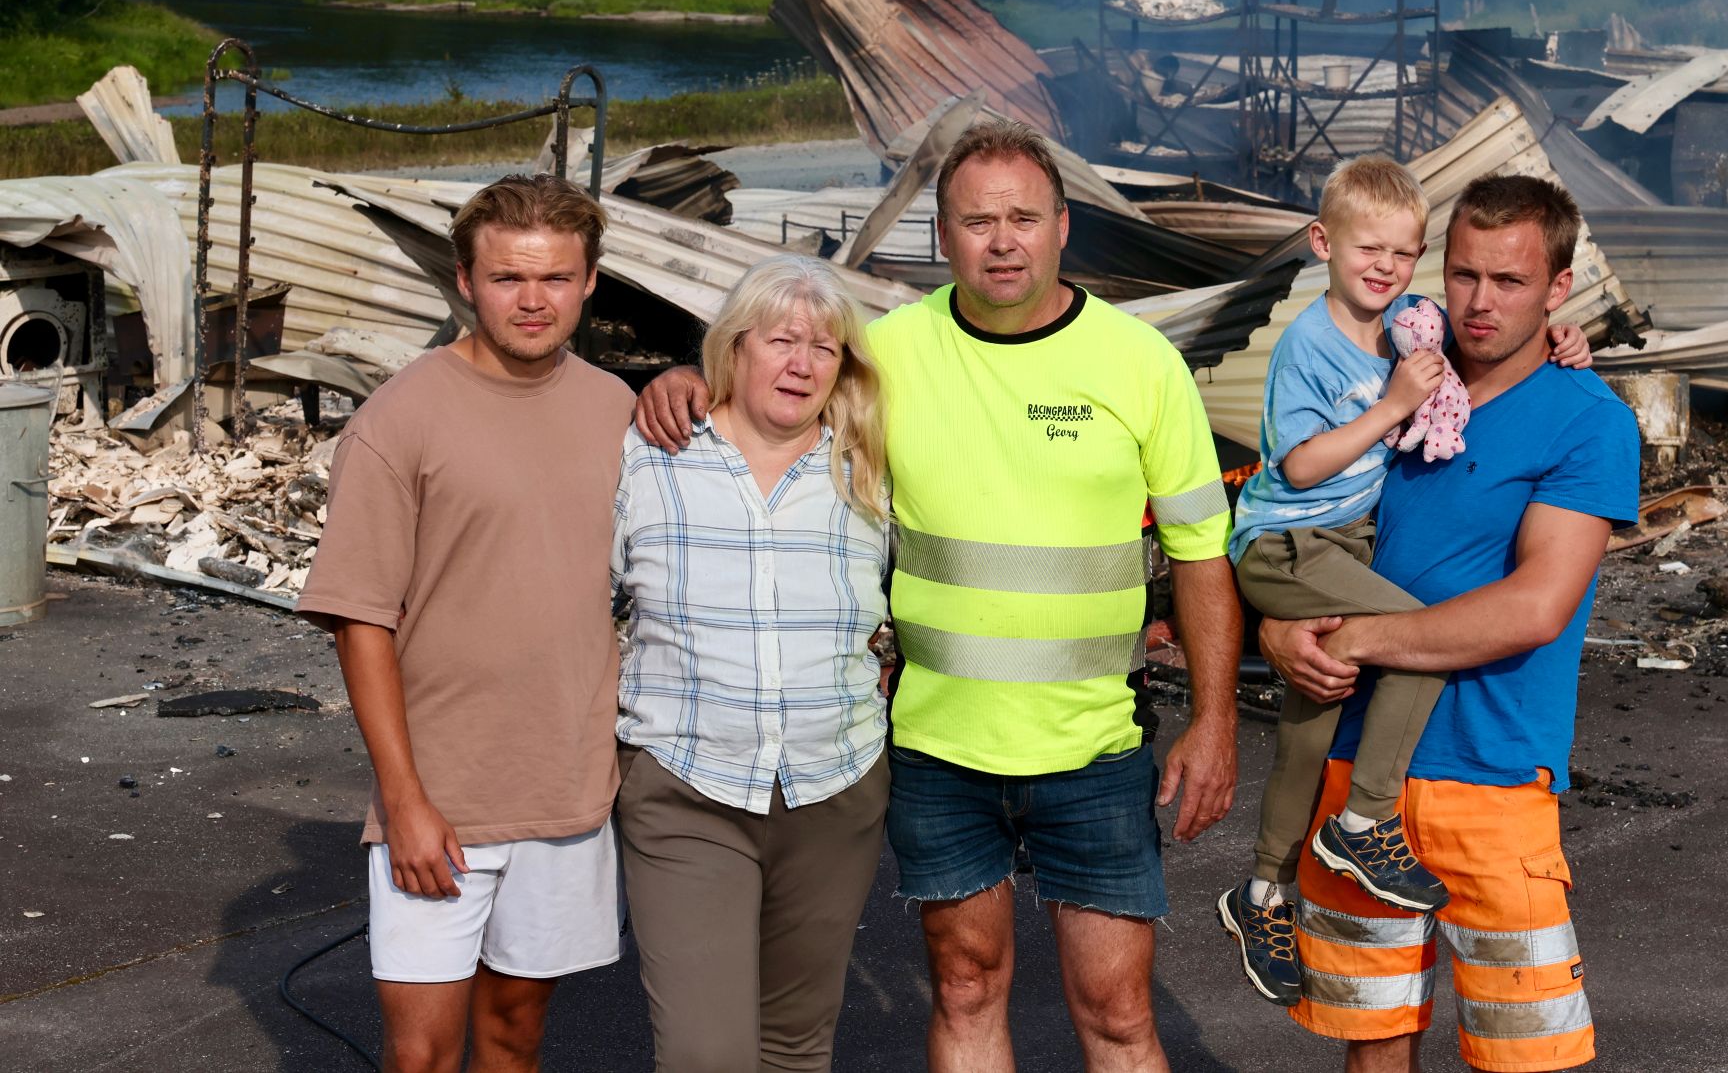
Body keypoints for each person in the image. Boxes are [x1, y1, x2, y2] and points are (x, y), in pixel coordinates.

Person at [637, 119, 1241, 1072]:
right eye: (977, 221)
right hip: (937, 749)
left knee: (1119, 1014)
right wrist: (680, 380)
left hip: (1093, 744)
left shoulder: (1141, 362)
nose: (1002, 241)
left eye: (1023, 218)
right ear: (942, 236)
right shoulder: (885, 358)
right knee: (965, 988)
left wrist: (1216, 721)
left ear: (1062, 226)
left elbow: (1204, 555)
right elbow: (770, 404)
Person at [1259, 173, 1639, 1073]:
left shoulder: (1587, 421)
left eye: (1510, 282)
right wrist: (1273, 632)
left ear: (1559, 288)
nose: (1479, 302)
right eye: (1463, 273)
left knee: (1526, 1054)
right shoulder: (1387, 394)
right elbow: (1290, 529)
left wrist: (1351, 640)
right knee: (1372, 1045)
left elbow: (1534, 607)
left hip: (1493, 779)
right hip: (1356, 783)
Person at [299, 175, 634, 1073]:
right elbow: (358, 621)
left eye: (556, 279)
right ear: (464, 280)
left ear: (591, 282)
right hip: (442, 799)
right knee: (423, 1057)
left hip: (566, 790)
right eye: (507, 279)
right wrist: (403, 801)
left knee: (516, 1039)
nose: (533, 301)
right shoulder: (397, 420)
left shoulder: (617, 410)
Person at [613, 255, 893, 1073]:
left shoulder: (868, 468)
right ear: (735, 347)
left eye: (825, 348)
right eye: (781, 340)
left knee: (796, 1045)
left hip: (834, 790)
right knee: (708, 1054)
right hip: (686, 785)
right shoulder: (649, 456)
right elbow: (581, 606)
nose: (801, 363)